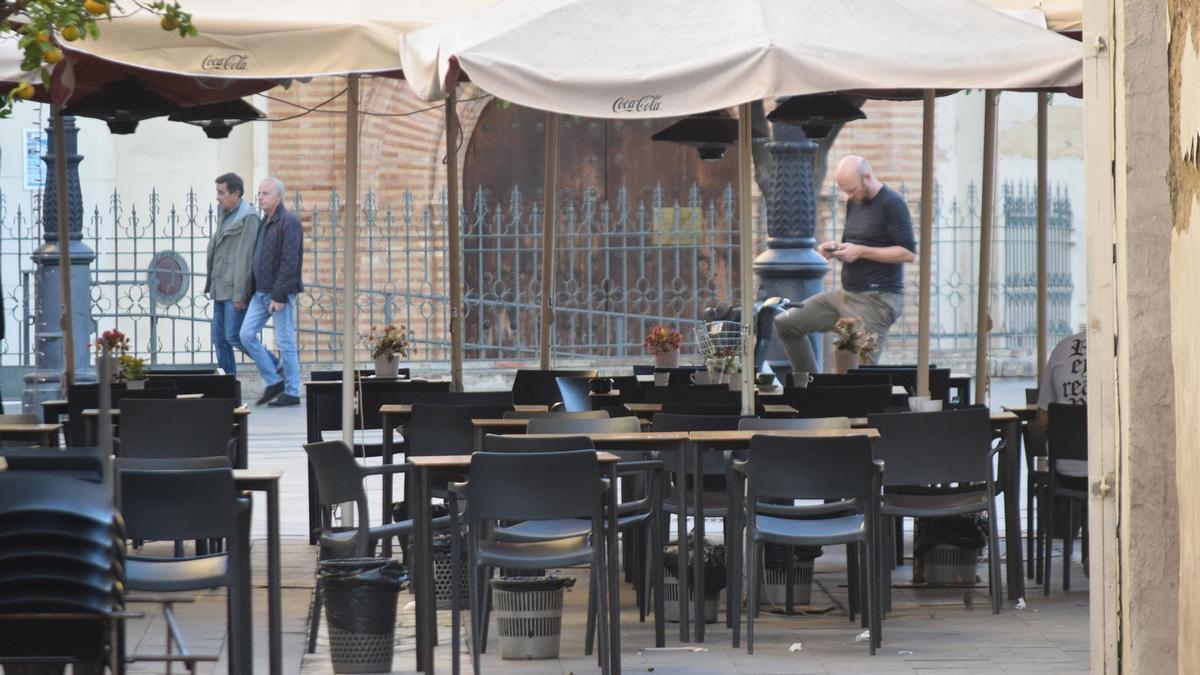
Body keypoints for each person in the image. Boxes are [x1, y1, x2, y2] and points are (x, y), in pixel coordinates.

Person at [773, 155, 916, 373]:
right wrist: (836, 249)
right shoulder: (854, 202)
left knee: (857, 375)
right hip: (844, 296)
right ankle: (809, 385)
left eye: (851, 189)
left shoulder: (892, 204)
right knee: (786, 323)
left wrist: (861, 251)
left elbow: (907, 253)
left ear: (867, 177)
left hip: (877, 301)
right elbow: (856, 243)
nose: (849, 196)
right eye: (845, 191)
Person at [239, 177, 303, 406]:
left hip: (279, 294)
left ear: (278, 197)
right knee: (245, 335)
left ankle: (293, 391)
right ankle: (274, 378)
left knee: (285, 341)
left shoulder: (289, 222)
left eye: (265, 193)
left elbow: (290, 261)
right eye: (259, 193)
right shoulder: (265, 221)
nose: (260, 197)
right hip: (261, 293)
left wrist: (279, 295)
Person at [205, 172, 261, 376]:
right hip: (220, 288)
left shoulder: (249, 218)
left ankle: (272, 365)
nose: (218, 197)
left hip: (234, 290)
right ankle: (228, 385)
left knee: (233, 336)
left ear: (236, 193)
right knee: (219, 341)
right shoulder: (225, 215)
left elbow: (245, 258)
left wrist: (240, 294)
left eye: (222, 193)